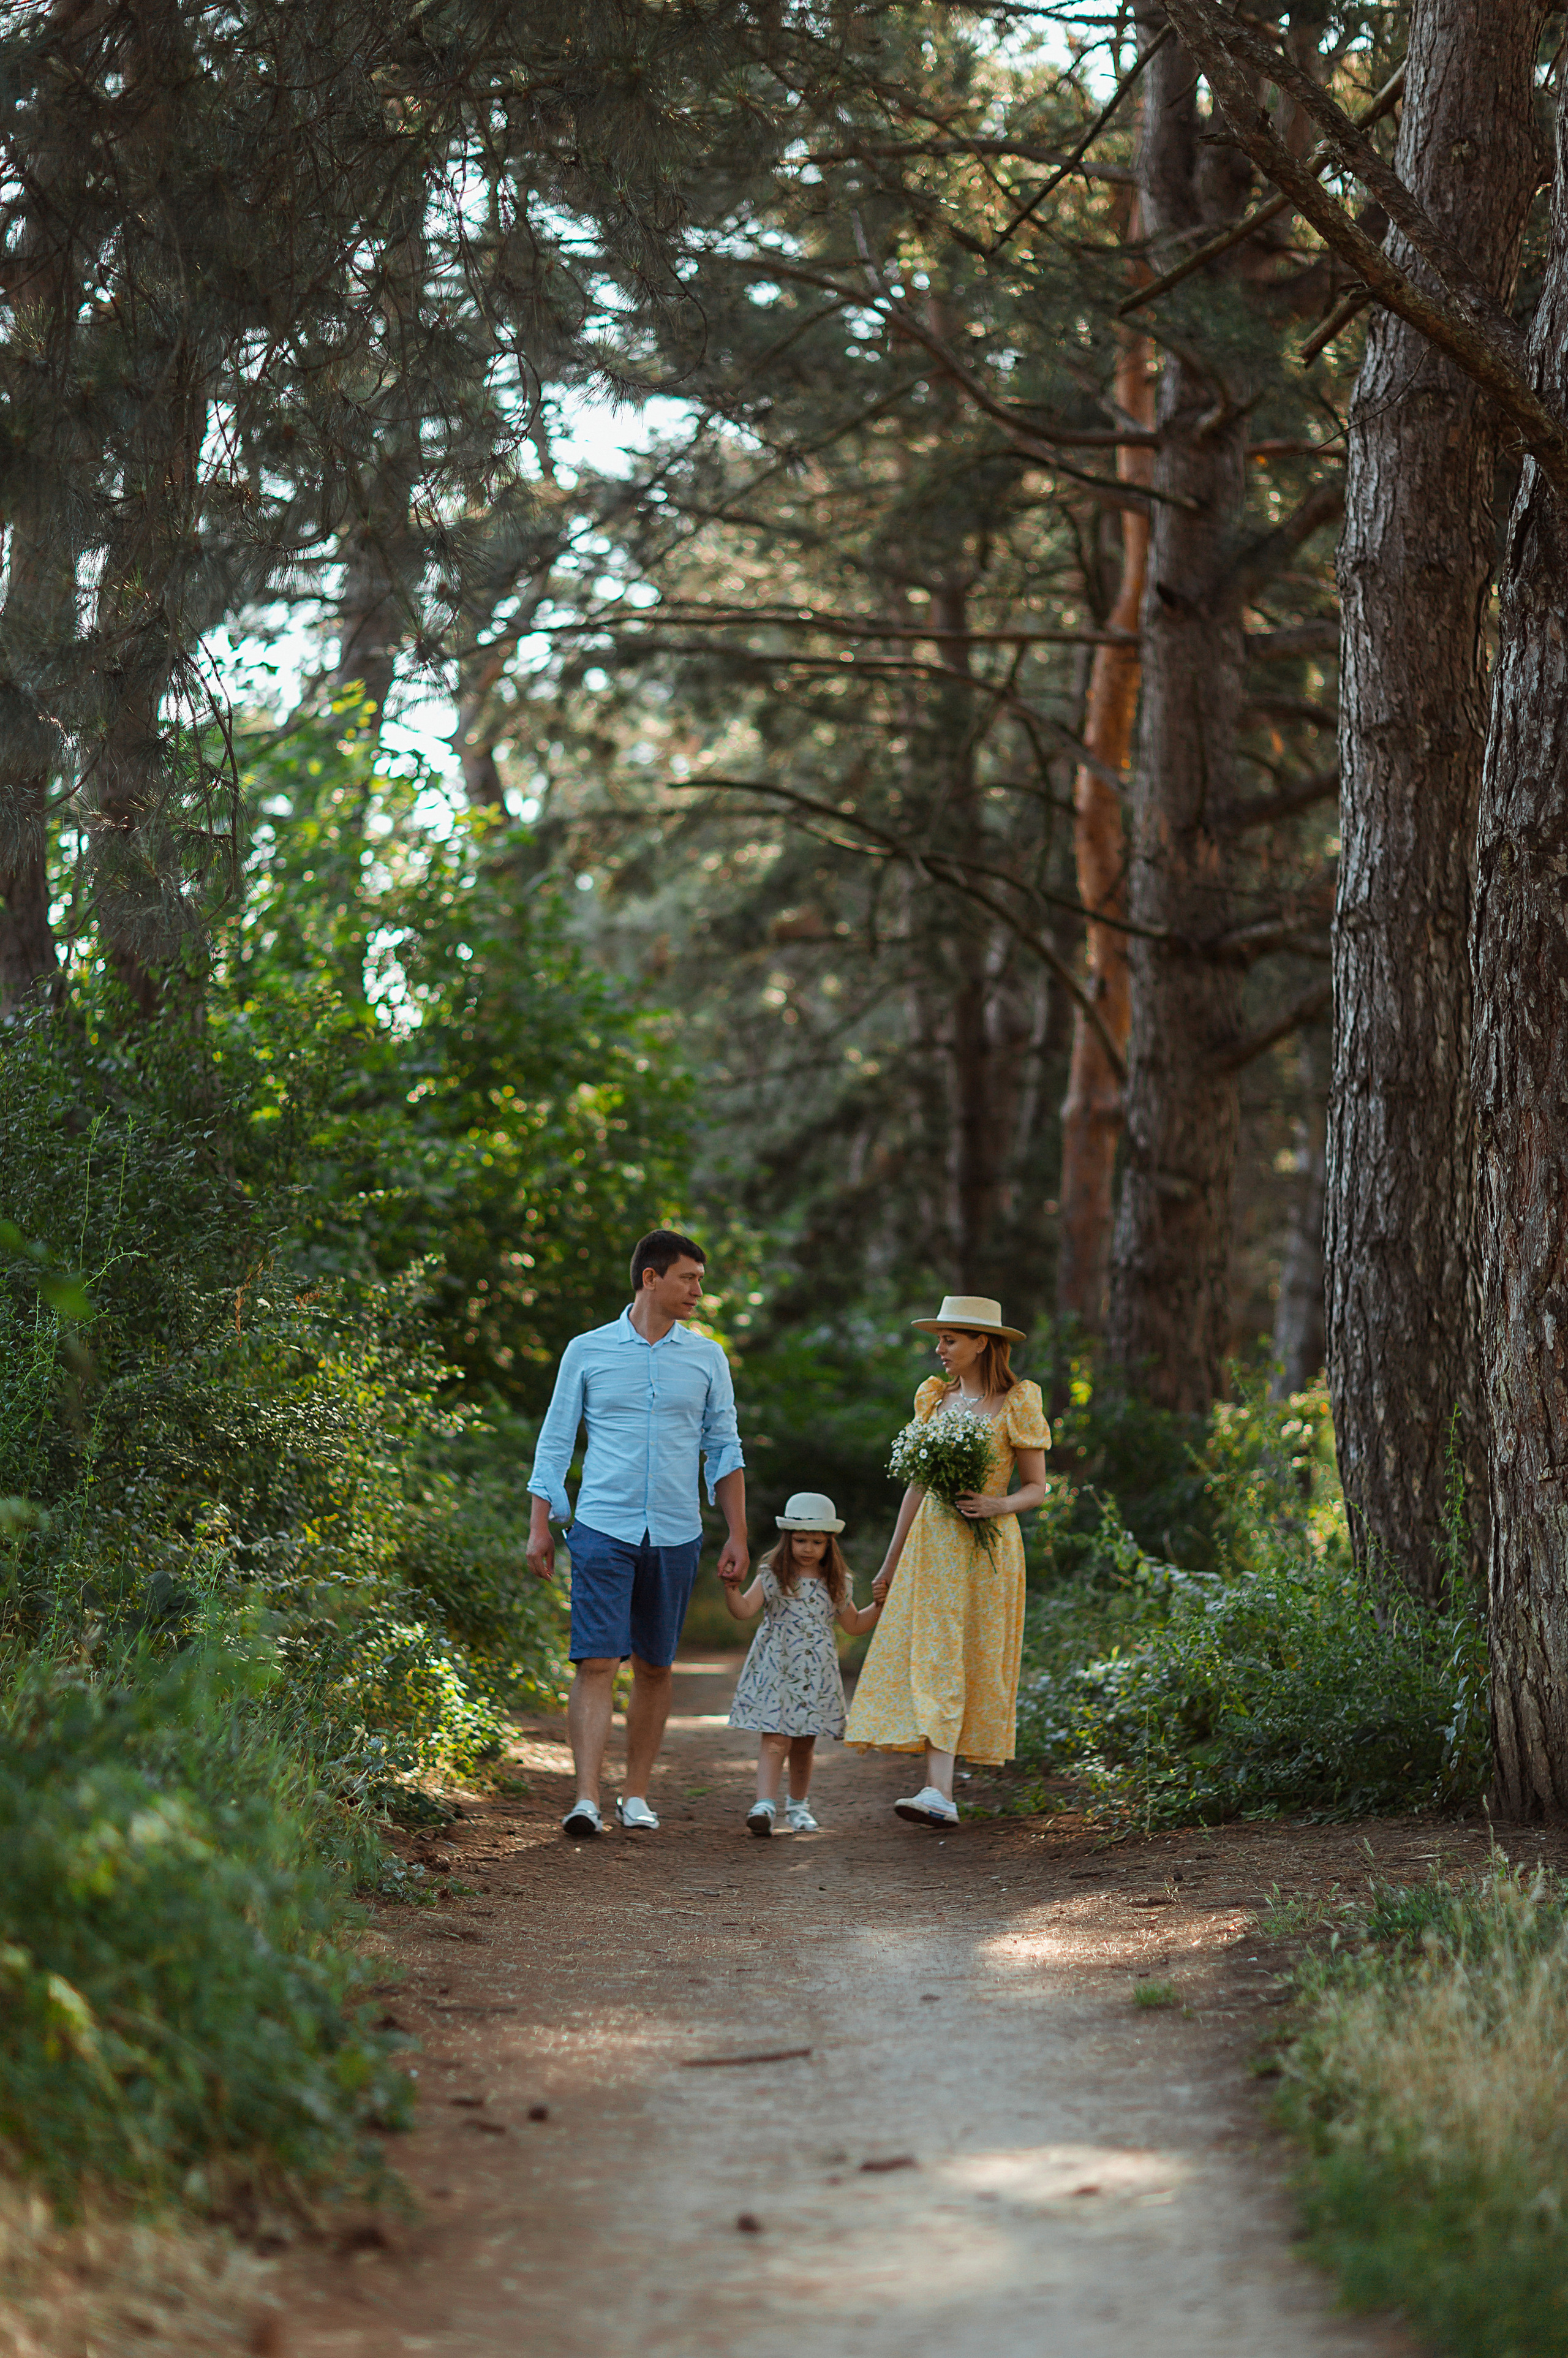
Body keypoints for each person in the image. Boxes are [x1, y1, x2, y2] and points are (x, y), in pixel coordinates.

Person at [526, 1229, 748, 1838]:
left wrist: (737, 1535)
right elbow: (555, 1438)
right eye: (688, 1278)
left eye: (700, 1280)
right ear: (651, 1278)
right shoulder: (587, 1351)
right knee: (596, 1660)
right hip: (602, 1525)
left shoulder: (707, 1358)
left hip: (676, 1532)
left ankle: (637, 1796)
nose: (699, 1291)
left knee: (655, 1664)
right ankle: (586, 1798)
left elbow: (724, 1448)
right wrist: (539, 1525)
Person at [844, 1294, 1049, 1826]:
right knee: (934, 1656)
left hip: (988, 1551)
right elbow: (916, 1486)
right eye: (939, 1339)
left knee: (970, 1658)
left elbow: (1037, 1488)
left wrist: (998, 1504)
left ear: (982, 1342)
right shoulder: (934, 1399)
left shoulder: (1017, 1401)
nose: (939, 1349)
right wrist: (891, 1563)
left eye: (949, 1339)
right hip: (931, 1549)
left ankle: (942, 1789)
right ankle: (938, 1792)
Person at [720, 1491, 881, 1837]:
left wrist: (880, 1606)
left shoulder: (838, 1583)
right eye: (801, 1540)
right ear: (788, 1539)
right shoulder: (772, 1576)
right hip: (777, 1668)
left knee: (806, 1742)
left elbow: (853, 1625)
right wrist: (732, 1589)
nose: (808, 1548)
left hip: (815, 1672)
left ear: (829, 1544)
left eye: (816, 1542)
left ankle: (798, 1806)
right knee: (776, 1738)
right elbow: (744, 1611)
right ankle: (764, 1804)